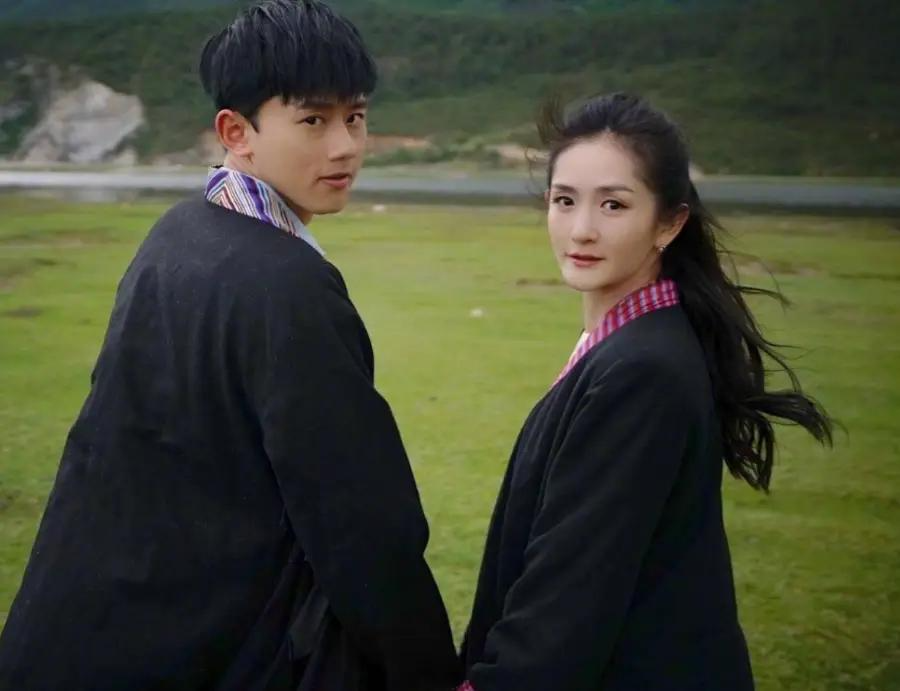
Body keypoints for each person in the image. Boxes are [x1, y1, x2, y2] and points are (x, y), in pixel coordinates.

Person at [0, 2, 460, 689]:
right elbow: (361, 523)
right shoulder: (288, 284)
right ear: (235, 132)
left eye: (356, 116)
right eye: (314, 120)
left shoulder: (177, 232)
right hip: (200, 646)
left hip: (83, 629)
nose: (345, 146)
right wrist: (429, 671)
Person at [459, 93, 833, 691]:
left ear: (669, 223)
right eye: (564, 200)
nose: (581, 229)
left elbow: (573, 590)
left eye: (613, 204)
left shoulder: (642, 370)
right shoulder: (632, 341)